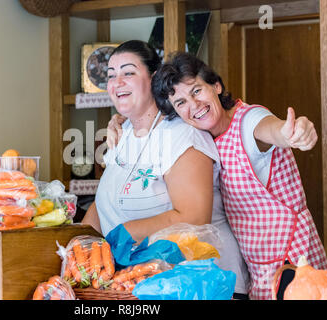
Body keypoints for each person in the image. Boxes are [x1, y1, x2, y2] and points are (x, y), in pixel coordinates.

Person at [107, 51, 327, 300]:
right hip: (257, 266)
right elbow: (148, 116)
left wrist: (292, 133)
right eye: (181, 103)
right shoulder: (205, 136)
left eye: (196, 91)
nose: (194, 106)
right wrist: (121, 120)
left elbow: (272, 129)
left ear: (216, 86)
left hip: (293, 262)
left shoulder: (248, 121)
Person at [82, 40, 250, 298]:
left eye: (128, 72)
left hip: (204, 285)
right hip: (147, 284)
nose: (117, 82)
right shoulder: (123, 131)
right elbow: (105, 202)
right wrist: (80, 244)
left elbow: (194, 216)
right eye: (111, 75)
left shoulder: (182, 134)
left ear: (154, 79)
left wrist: (122, 235)